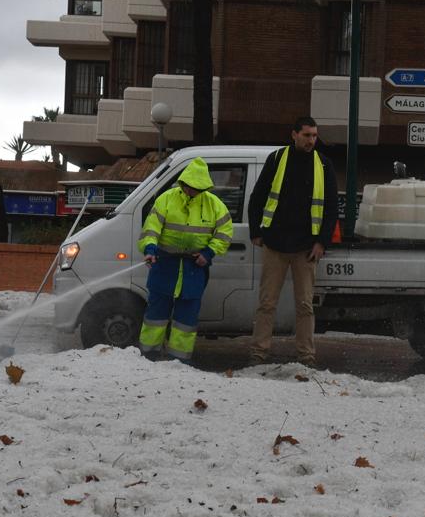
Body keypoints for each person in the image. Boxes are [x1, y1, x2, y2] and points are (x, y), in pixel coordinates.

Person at [248, 116, 338, 367]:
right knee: (266, 304)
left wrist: (321, 242)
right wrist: (256, 231)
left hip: (306, 248)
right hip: (275, 244)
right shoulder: (277, 160)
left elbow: (331, 208)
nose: (311, 140)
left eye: (314, 136)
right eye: (307, 135)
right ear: (294, 135)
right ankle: (258, 354)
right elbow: (257, 197)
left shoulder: (323, 165)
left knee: (305, 305)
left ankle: (306, 357)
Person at [137, 158, 233, 361]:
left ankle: (178, 360)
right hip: (164, 263)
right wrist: (150, 248)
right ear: (183, 183)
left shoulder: (215, 205)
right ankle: (148, 355)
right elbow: (151, 228)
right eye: (190, 187)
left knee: (186, 318)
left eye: (197, 188)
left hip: (193, 268)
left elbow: (224, 234)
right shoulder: (166, 199)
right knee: (156, 314)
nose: (192, 191)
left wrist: (208, 253)